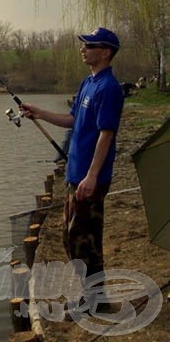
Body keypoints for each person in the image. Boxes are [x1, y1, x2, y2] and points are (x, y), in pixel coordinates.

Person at [22, 27, 124, 284]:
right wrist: (40, 113)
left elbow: (106, 134)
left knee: (85, 241)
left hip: (90, 178)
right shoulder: (88, 83)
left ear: (105, 52)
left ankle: (94, 299)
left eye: (89, 46)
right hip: (74, 174)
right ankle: (90, 295)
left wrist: (92, 176)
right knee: (71, 238)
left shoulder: (109, 88)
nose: (83, 49)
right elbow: (72, 120)